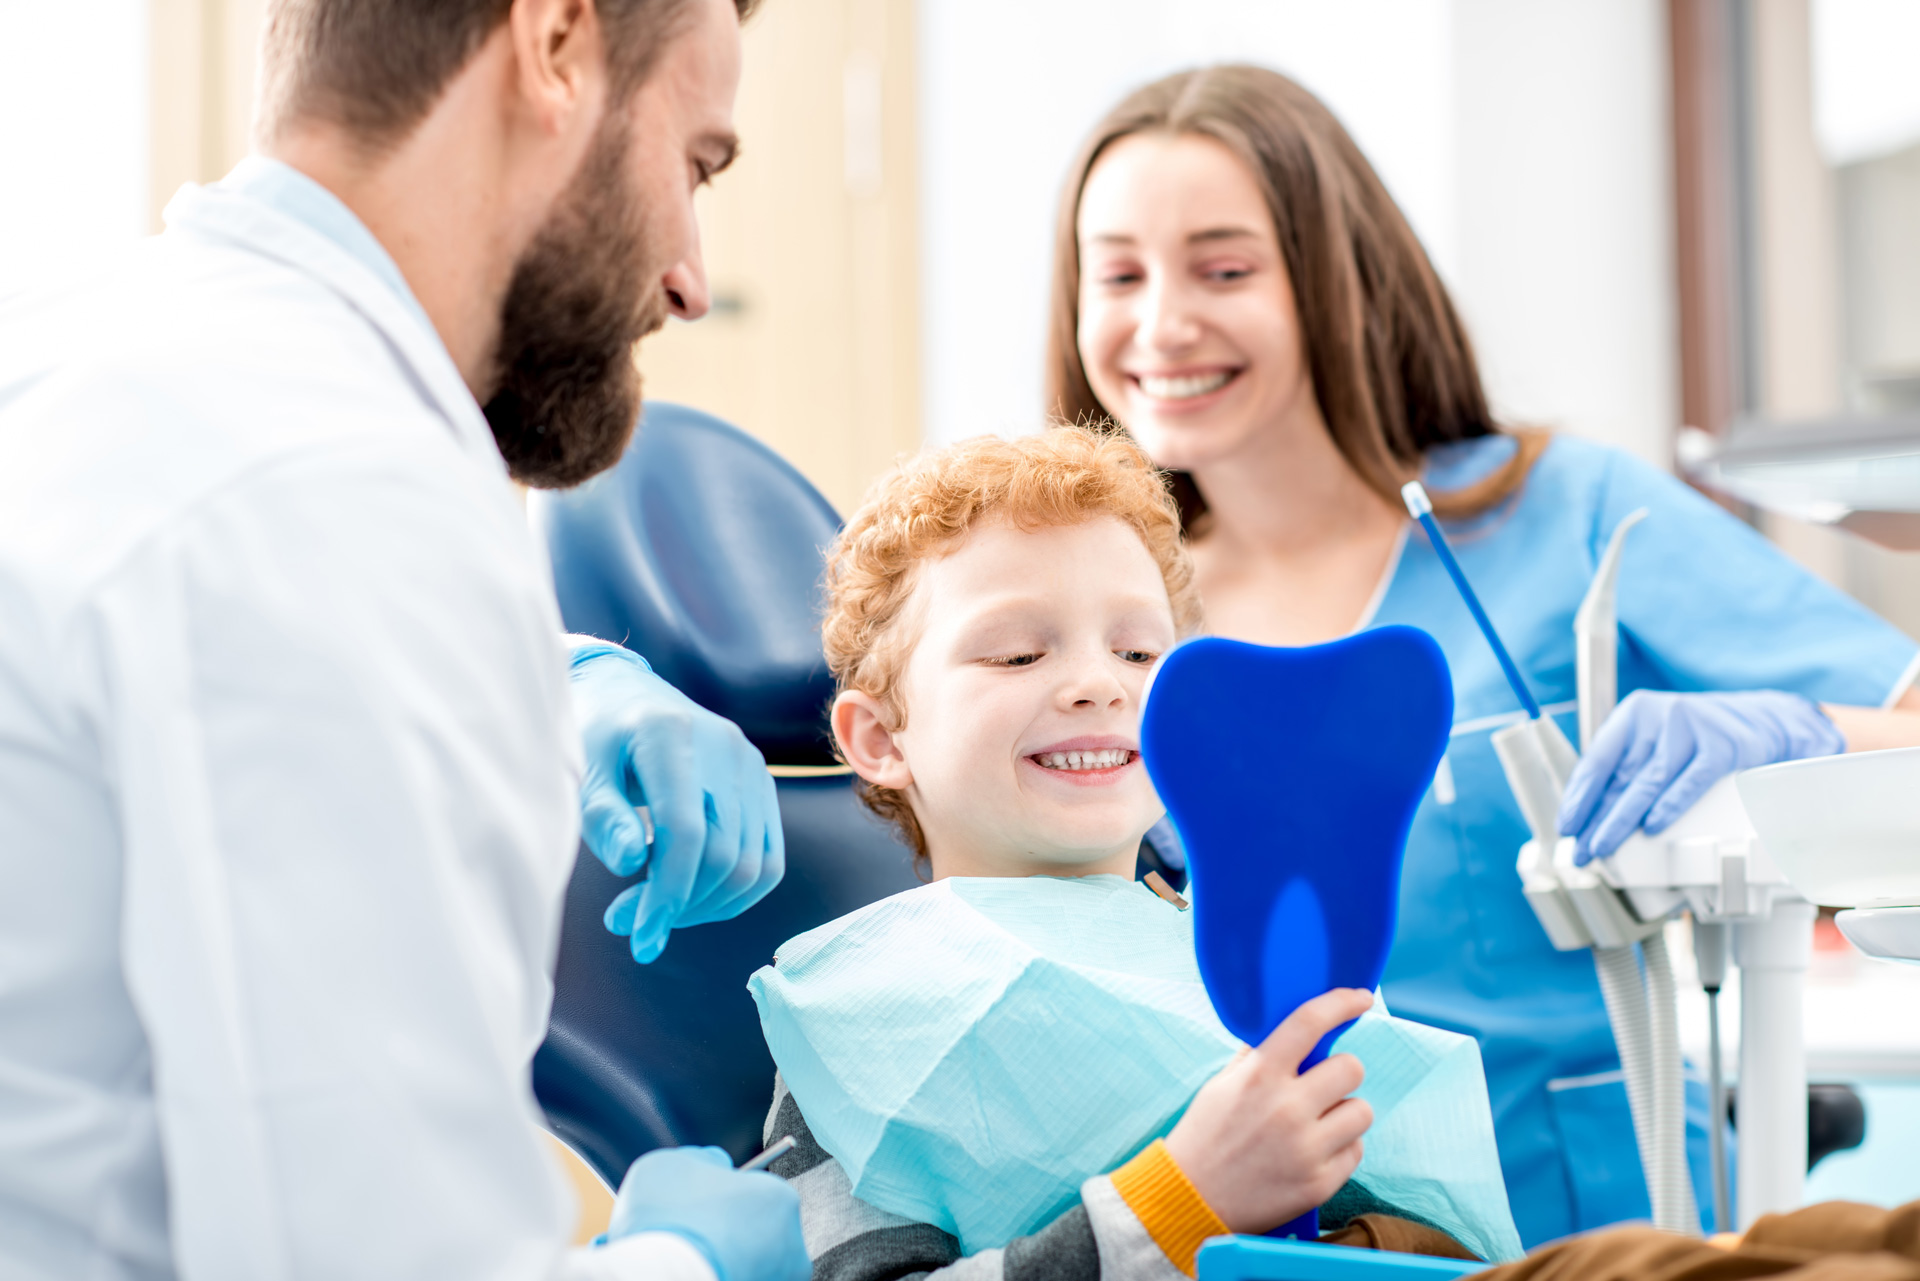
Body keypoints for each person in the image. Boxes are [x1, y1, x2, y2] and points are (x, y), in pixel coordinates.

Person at [1041, 64, 1920, 1246]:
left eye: (1225, 268)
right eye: (1120, 275)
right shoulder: (1104, 613)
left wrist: (1793, 738)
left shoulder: (1571, 513)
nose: (1162, 325)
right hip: (1263, 1242)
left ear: (1336, 281)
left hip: (1597, 1224)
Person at [0, 1, 804, 1277]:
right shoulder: (338, 492)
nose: (690, 278)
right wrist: (686, 1265)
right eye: (694, 165)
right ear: (554, 46)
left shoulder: (71, 353)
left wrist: (568, 683)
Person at [745, 428, 1521, 1281]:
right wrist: (1183, 1199)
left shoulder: (1260, 956)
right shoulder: (864, 1022)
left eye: (1140, 652)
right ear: (884, 737)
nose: (1100, 683)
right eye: (1018, 653)